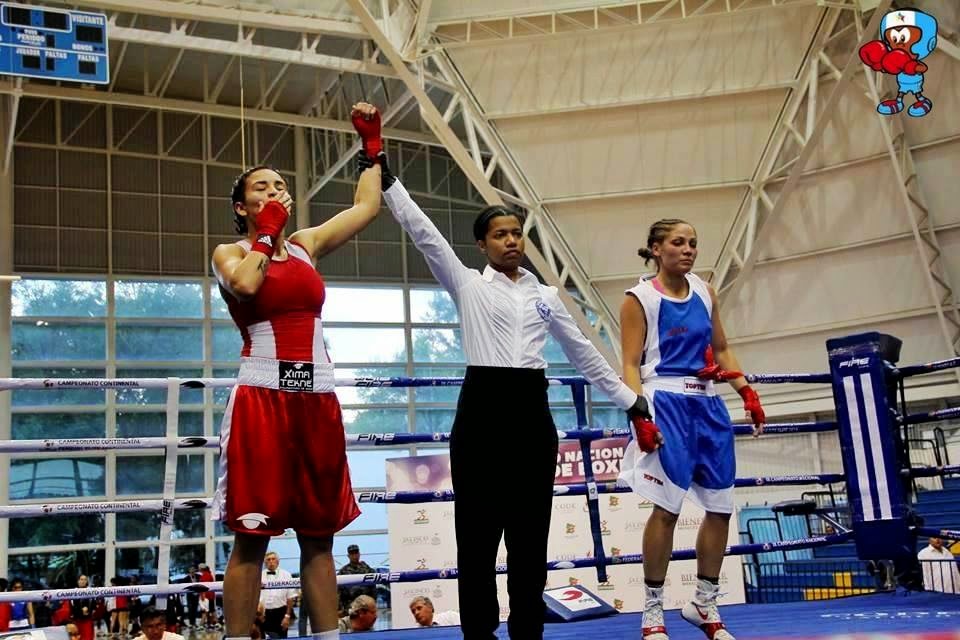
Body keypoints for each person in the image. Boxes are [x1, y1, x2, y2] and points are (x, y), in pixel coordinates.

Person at [366, 150, 650, 640]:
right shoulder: (468, 286)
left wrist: (631, 401)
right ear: (482, 244)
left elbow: (582, 350)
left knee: (529, 538)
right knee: (475, 539)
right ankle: (479, 634)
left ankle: (527, 634)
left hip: (530, 415)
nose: (511, 240)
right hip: (481, 410)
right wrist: (386, 176)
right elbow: (424, 234)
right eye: (500, 234)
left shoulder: (545, 296)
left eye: (516, 233)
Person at [211, 102, 382, 640]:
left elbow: (367, 206)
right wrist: (265, 234)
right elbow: (245, 285)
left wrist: (372, 148)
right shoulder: (229, 252)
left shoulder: (306, 247)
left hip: (317, 397)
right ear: (242, 207)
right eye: (262, 186)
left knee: (319, 534)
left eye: (280, 184)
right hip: (263, 396)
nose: (275, 189)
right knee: (252, 537)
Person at [617, 218, 766, 640]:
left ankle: (703, 603)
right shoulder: (639, 298)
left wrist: (745, 390)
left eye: (693, 243)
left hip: (708, 403)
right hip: (665, 402)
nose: (688, 250)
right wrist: (639, 414)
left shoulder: (705, 290)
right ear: (656, 248)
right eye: (678, 243)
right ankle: (652, 611)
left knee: (720, 508)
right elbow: (628, 363)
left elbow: (720, 347)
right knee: (667, 508)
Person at [257, 552, 298, 638]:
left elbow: (290, 598)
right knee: (261, 637)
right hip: (264, 613)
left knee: (281, 637)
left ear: (278, 561)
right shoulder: (258, 576)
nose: (271, 561)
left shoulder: (286, 575)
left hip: (280, 612)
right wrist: (258, 614)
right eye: (268, 559)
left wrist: (287, 616)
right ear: (265, 562)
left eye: (273, 559)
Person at [336, 545, 374, 614]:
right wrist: (339, 609)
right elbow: (338, 591)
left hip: (365, 607)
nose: (354, 556)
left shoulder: (367, 568)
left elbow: (373, 587)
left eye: (356, 553)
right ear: (348, 556)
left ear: (359, 554)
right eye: (352, 553)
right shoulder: (343, 571)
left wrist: (373, 603)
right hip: (350, 608)